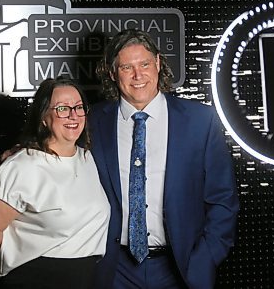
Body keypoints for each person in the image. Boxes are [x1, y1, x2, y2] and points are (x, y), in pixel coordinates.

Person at [89, 29, 239, 289]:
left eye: (145, 64)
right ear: (113, 73)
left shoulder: (200, 121)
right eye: (127, 67)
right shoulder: (91, 122)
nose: (138, 76)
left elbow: (223, 199)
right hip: (115, 270)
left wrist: (205, 258)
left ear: (158, 63)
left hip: (180, 268)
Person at [0, 77, 110, 289]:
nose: (73, 115)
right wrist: (25, 263)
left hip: (84, 278)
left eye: (79, 107)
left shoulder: (86, 158)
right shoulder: (22, 165)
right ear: (44, 116)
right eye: (62, 108)